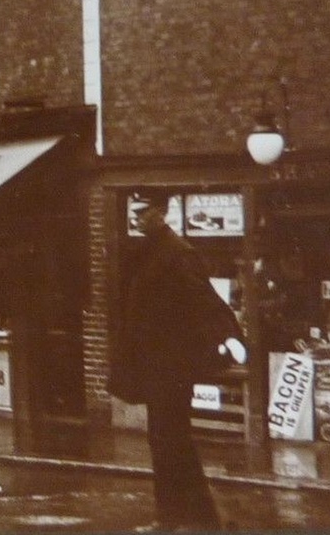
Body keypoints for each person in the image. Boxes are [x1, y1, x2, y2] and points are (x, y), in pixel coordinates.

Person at [113, 191, 246, 531]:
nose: (136, 218)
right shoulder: (146, 253)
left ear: (161, 212)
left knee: (172, 439)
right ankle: (179, 518)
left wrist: (229, 336)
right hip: (153, 364)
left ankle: (192, 519)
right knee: (163, 439)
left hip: (171, 366)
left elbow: (204, 299)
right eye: (133, 211)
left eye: (142, 212)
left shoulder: (177, 253)